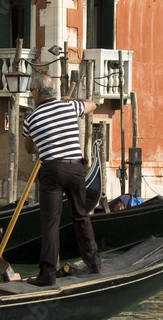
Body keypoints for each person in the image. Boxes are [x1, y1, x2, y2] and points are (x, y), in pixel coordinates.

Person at [21, 73, 102, 286]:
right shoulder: (69, 108)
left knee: (50, 223)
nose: (31, 94)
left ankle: (47, 275)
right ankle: (94, 263)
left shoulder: (30, 119)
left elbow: (30, 148)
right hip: (76, 168)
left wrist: (37, 139)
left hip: (52, 170)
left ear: (37, 92)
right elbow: (92, 104)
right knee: (80, 215)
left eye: (31, 91)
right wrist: (71, 101)